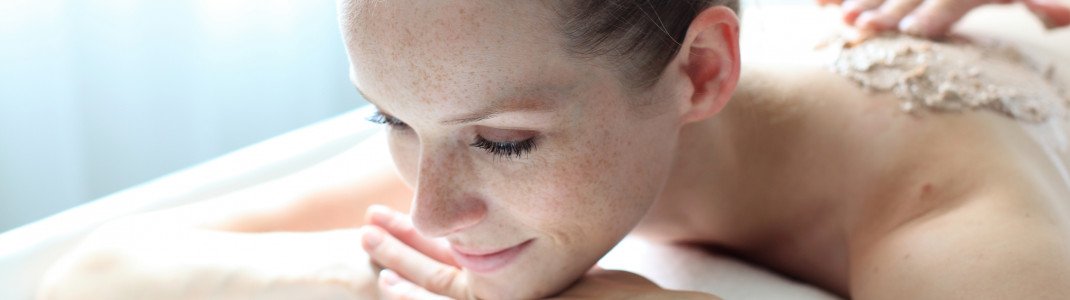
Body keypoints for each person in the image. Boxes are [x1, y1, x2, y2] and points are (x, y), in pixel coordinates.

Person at [37, 0, 1070, 299]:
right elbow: (95, 272)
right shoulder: (483, 111)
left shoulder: (945, 219)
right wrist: (388, 282)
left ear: (701, 74)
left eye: (501, 142)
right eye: (386, 118)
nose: (433, 209)